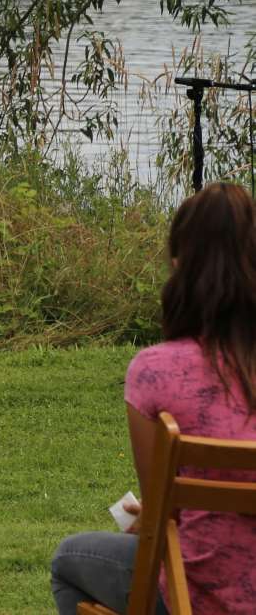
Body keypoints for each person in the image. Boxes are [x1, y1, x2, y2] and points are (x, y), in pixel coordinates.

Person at [50, 182, 256, 613]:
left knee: (70, 559)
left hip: (195, 594)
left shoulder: (155, 372)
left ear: (180, 266)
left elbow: (161, 523)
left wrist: (149, 511)